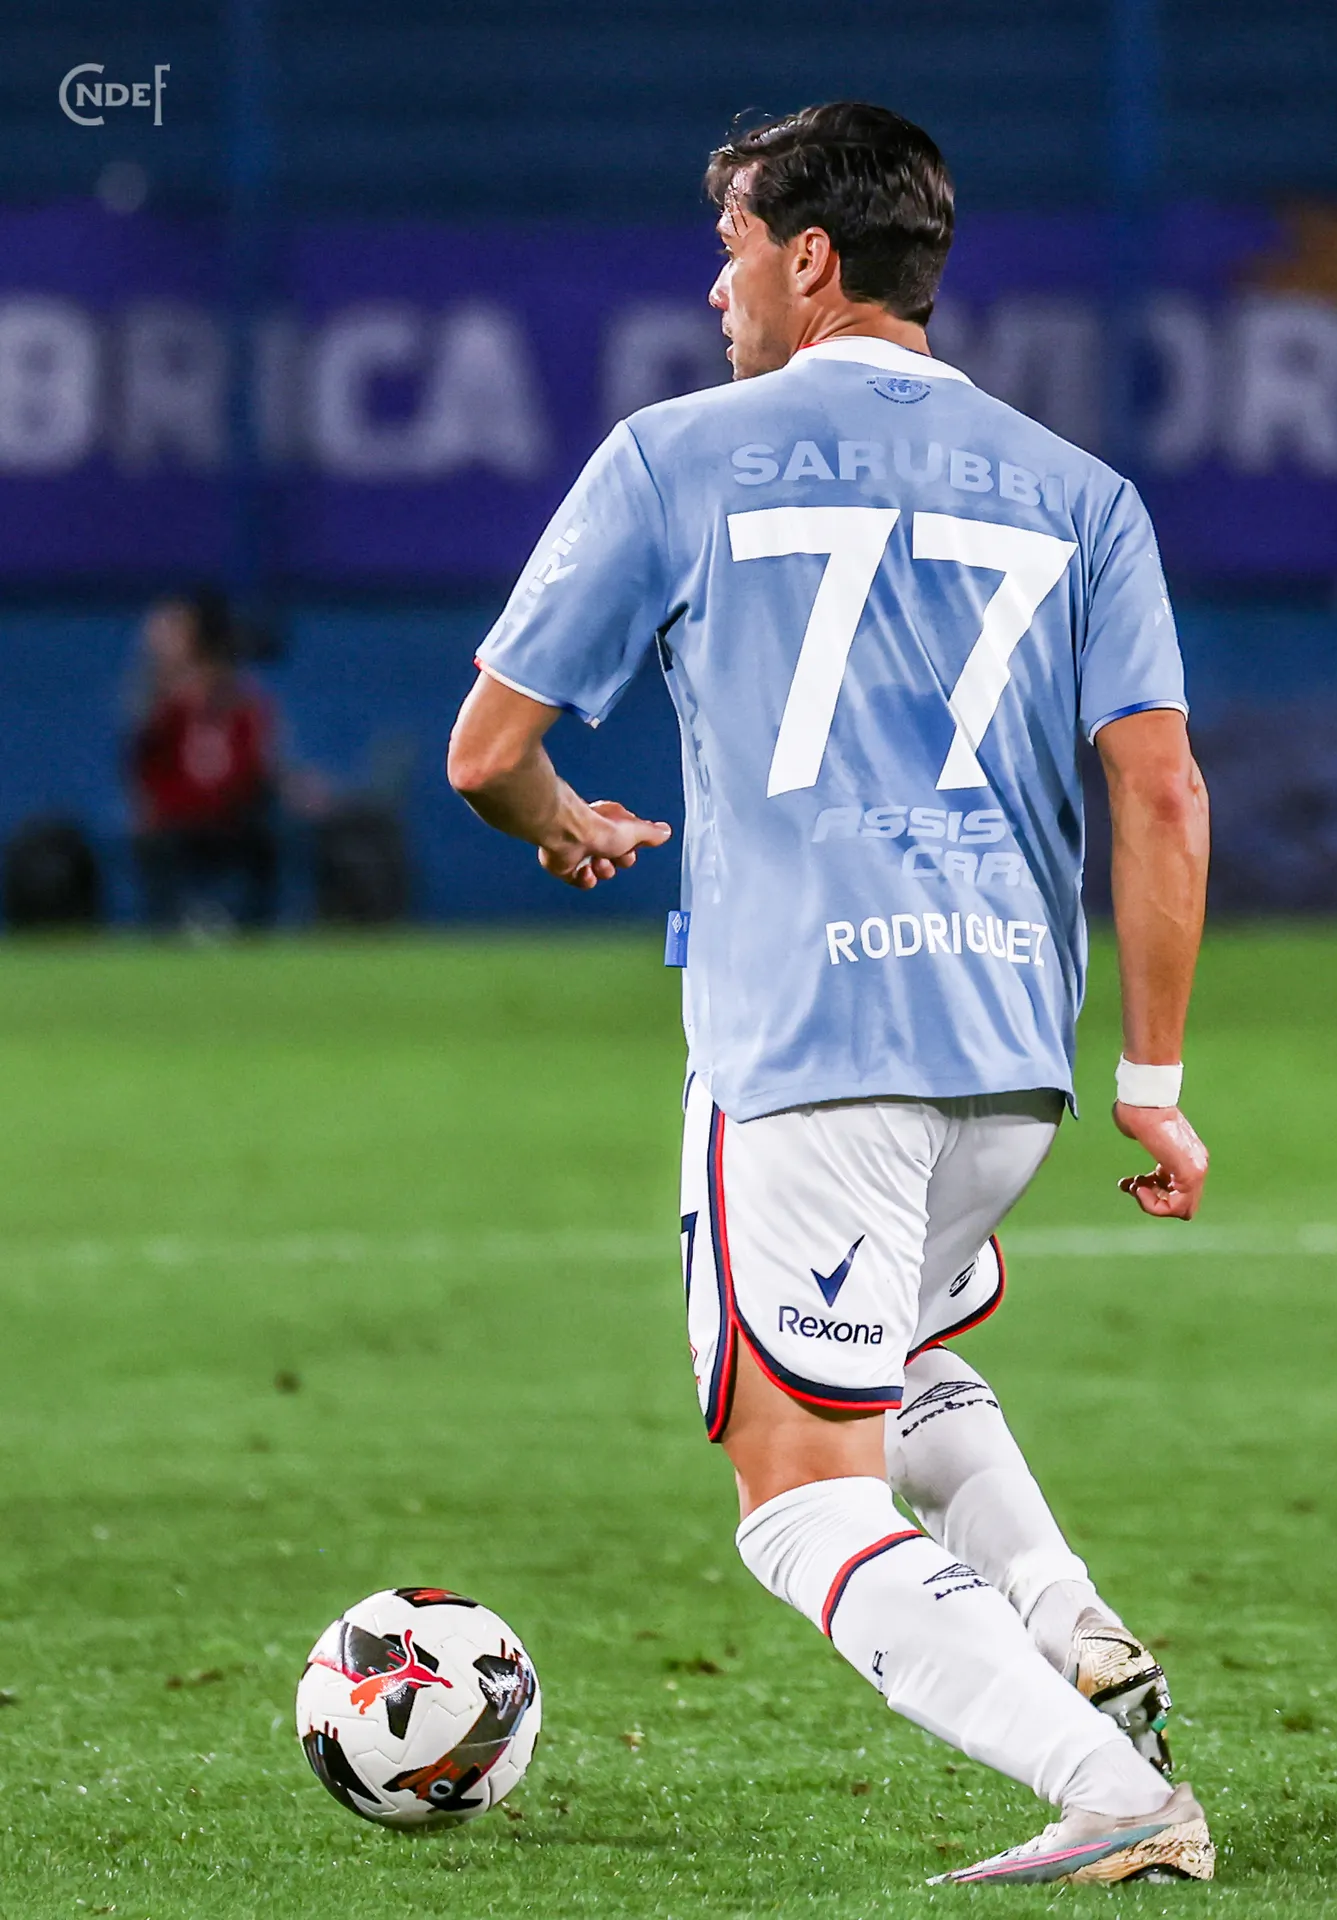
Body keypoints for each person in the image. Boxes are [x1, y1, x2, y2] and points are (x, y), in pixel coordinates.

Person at [447, 103, 1213, 1887]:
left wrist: (558, 822)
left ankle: (1107, 1787)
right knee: (905, 1356)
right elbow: (1163, 792)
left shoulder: (674, 457)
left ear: (810, 258)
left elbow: (488, 751)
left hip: (808, 1052)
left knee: (799, 1499)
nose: (715, 288)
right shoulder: (1082, 494)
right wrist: (1155, 1080)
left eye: (730, 247)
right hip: (1008, 1063)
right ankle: (1066, 1616)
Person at [128, 589, 279, 932]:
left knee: (266, 839)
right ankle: (166, 927)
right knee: (154, 845)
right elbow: (145, 766)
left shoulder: (242, 701)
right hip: (175, 819)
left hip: (233, 817)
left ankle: (256, 928)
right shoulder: (160, 705)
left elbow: (254, 763)